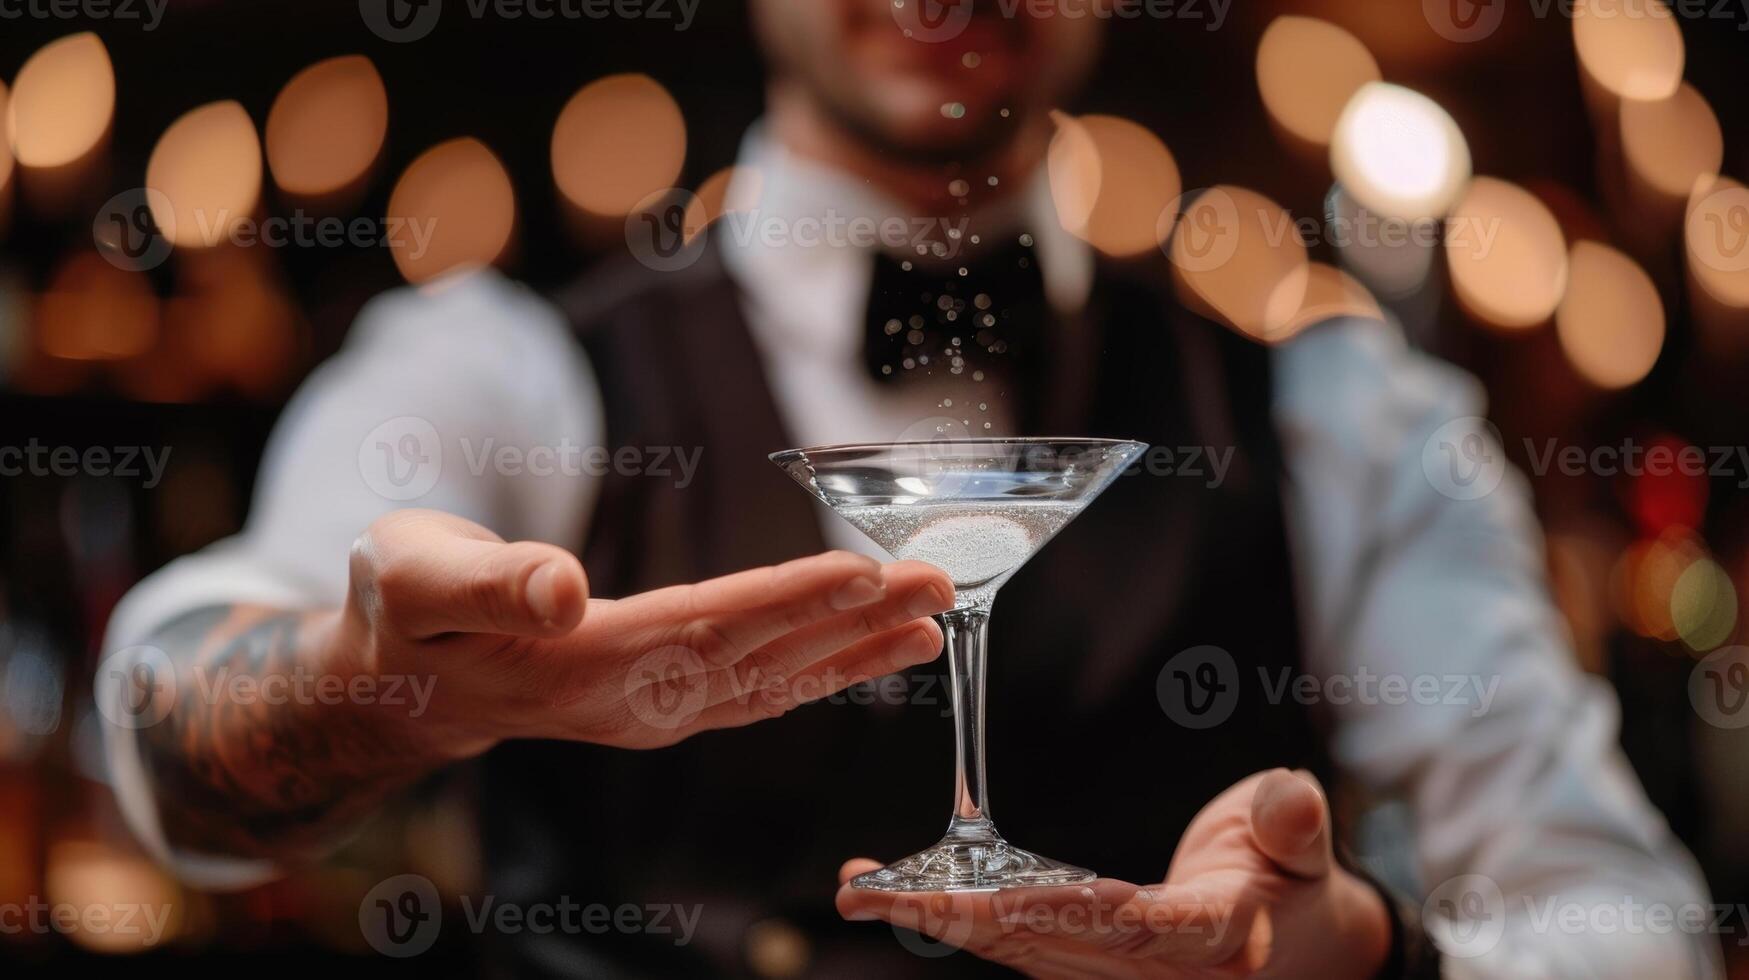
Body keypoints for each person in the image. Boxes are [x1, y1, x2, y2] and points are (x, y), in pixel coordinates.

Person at [100, 0, 1718, 976]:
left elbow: (1626, 920)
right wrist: (375, 690)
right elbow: (178, 763)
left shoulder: (1329, 405)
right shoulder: (501, 368)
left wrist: (1373, 958)